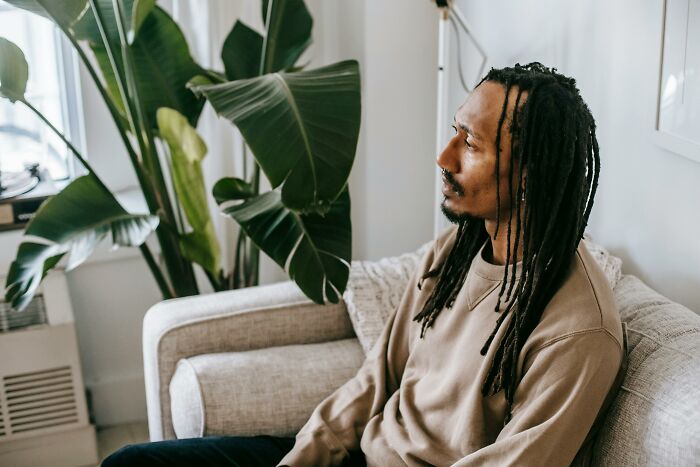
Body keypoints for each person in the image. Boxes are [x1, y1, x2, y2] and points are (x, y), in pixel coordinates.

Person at [102, 62, 625, 467]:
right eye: (455, 131)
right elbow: (378, 376)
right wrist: (303, 457)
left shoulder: (579, 331)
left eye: (469, 143)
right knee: (131, 463)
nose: (444, 157)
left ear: (529, 175)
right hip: (358, 458)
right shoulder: (457, 249)